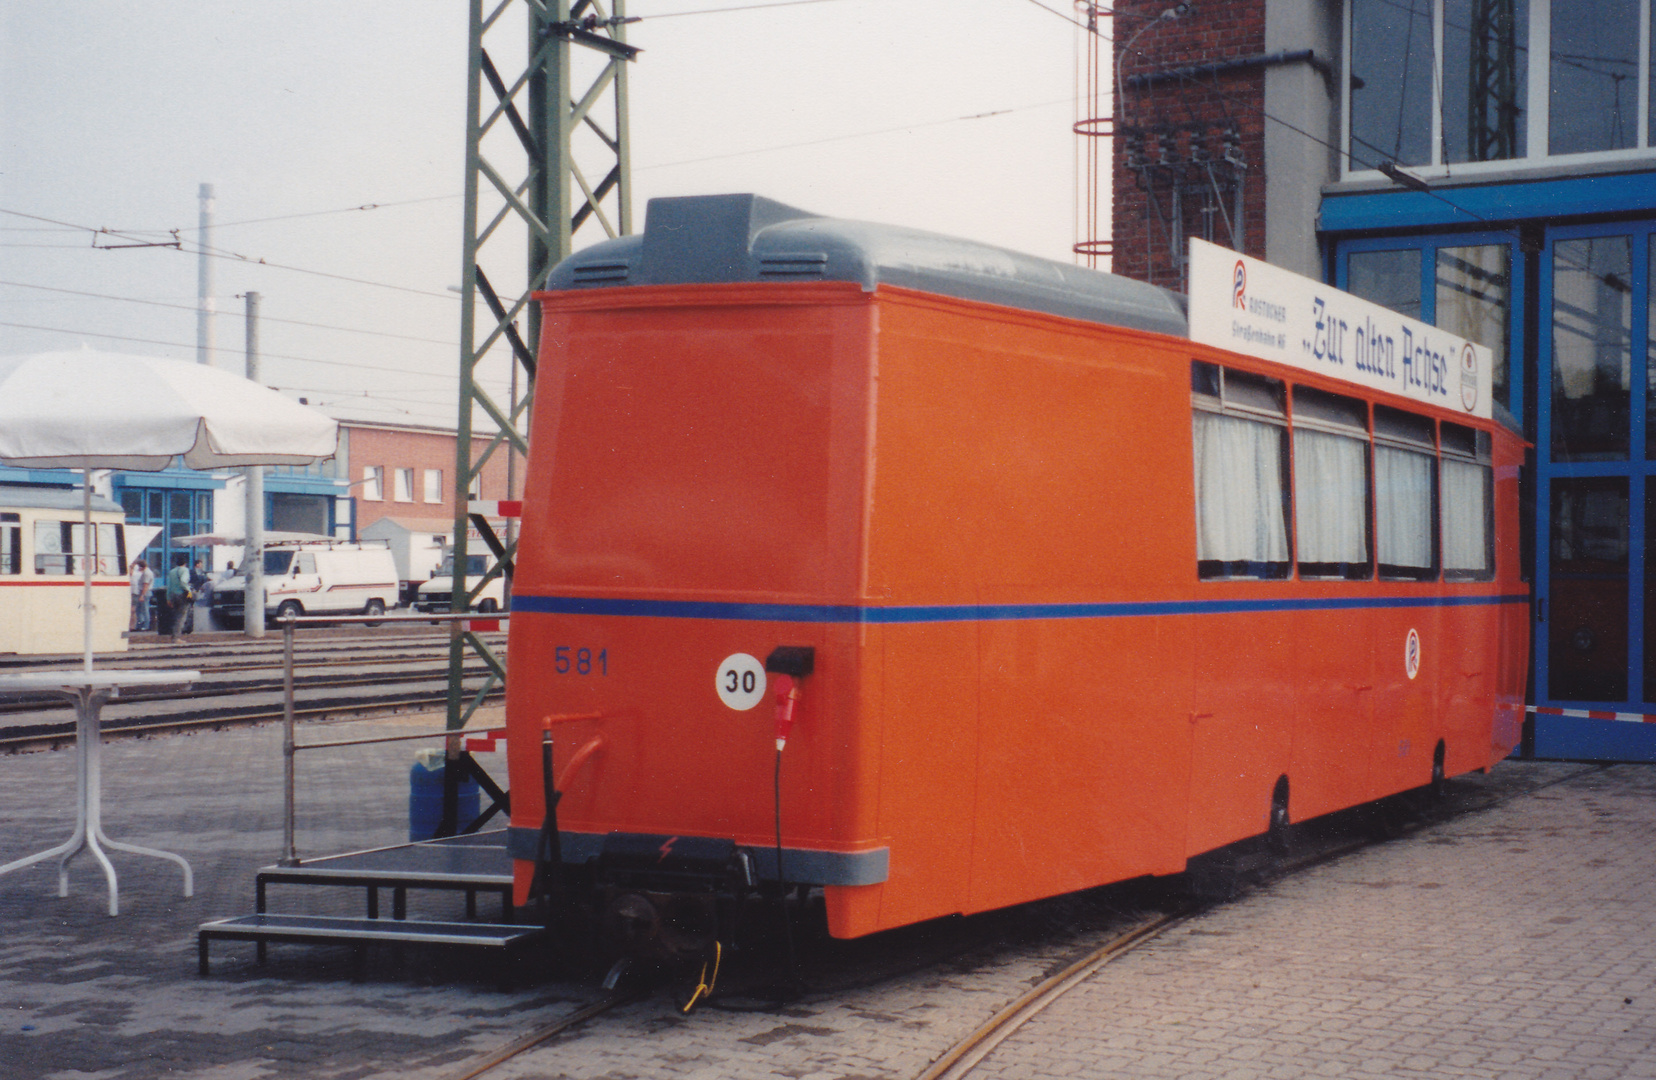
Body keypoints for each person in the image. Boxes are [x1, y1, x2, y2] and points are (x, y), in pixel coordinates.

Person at [165, 553, 195, 644]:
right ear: (185, 563)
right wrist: (188, 590)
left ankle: (174, 635)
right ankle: (176, 638)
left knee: (175, 616)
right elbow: (183, 581)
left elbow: (169, 586)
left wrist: (168, 598)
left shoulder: (172, 571)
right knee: (181, 617)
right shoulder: (185, 570)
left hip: (173, 595)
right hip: (182, 595)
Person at [129, 559, 154, 632]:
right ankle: (139, 625)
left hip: (144, 593)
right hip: (142, 592)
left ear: (141, 567)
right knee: (138, 610)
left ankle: (146, 626)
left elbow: (145, 585)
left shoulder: (147, 573)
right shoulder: (145, 572)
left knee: (145, 609)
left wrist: (142, 595)